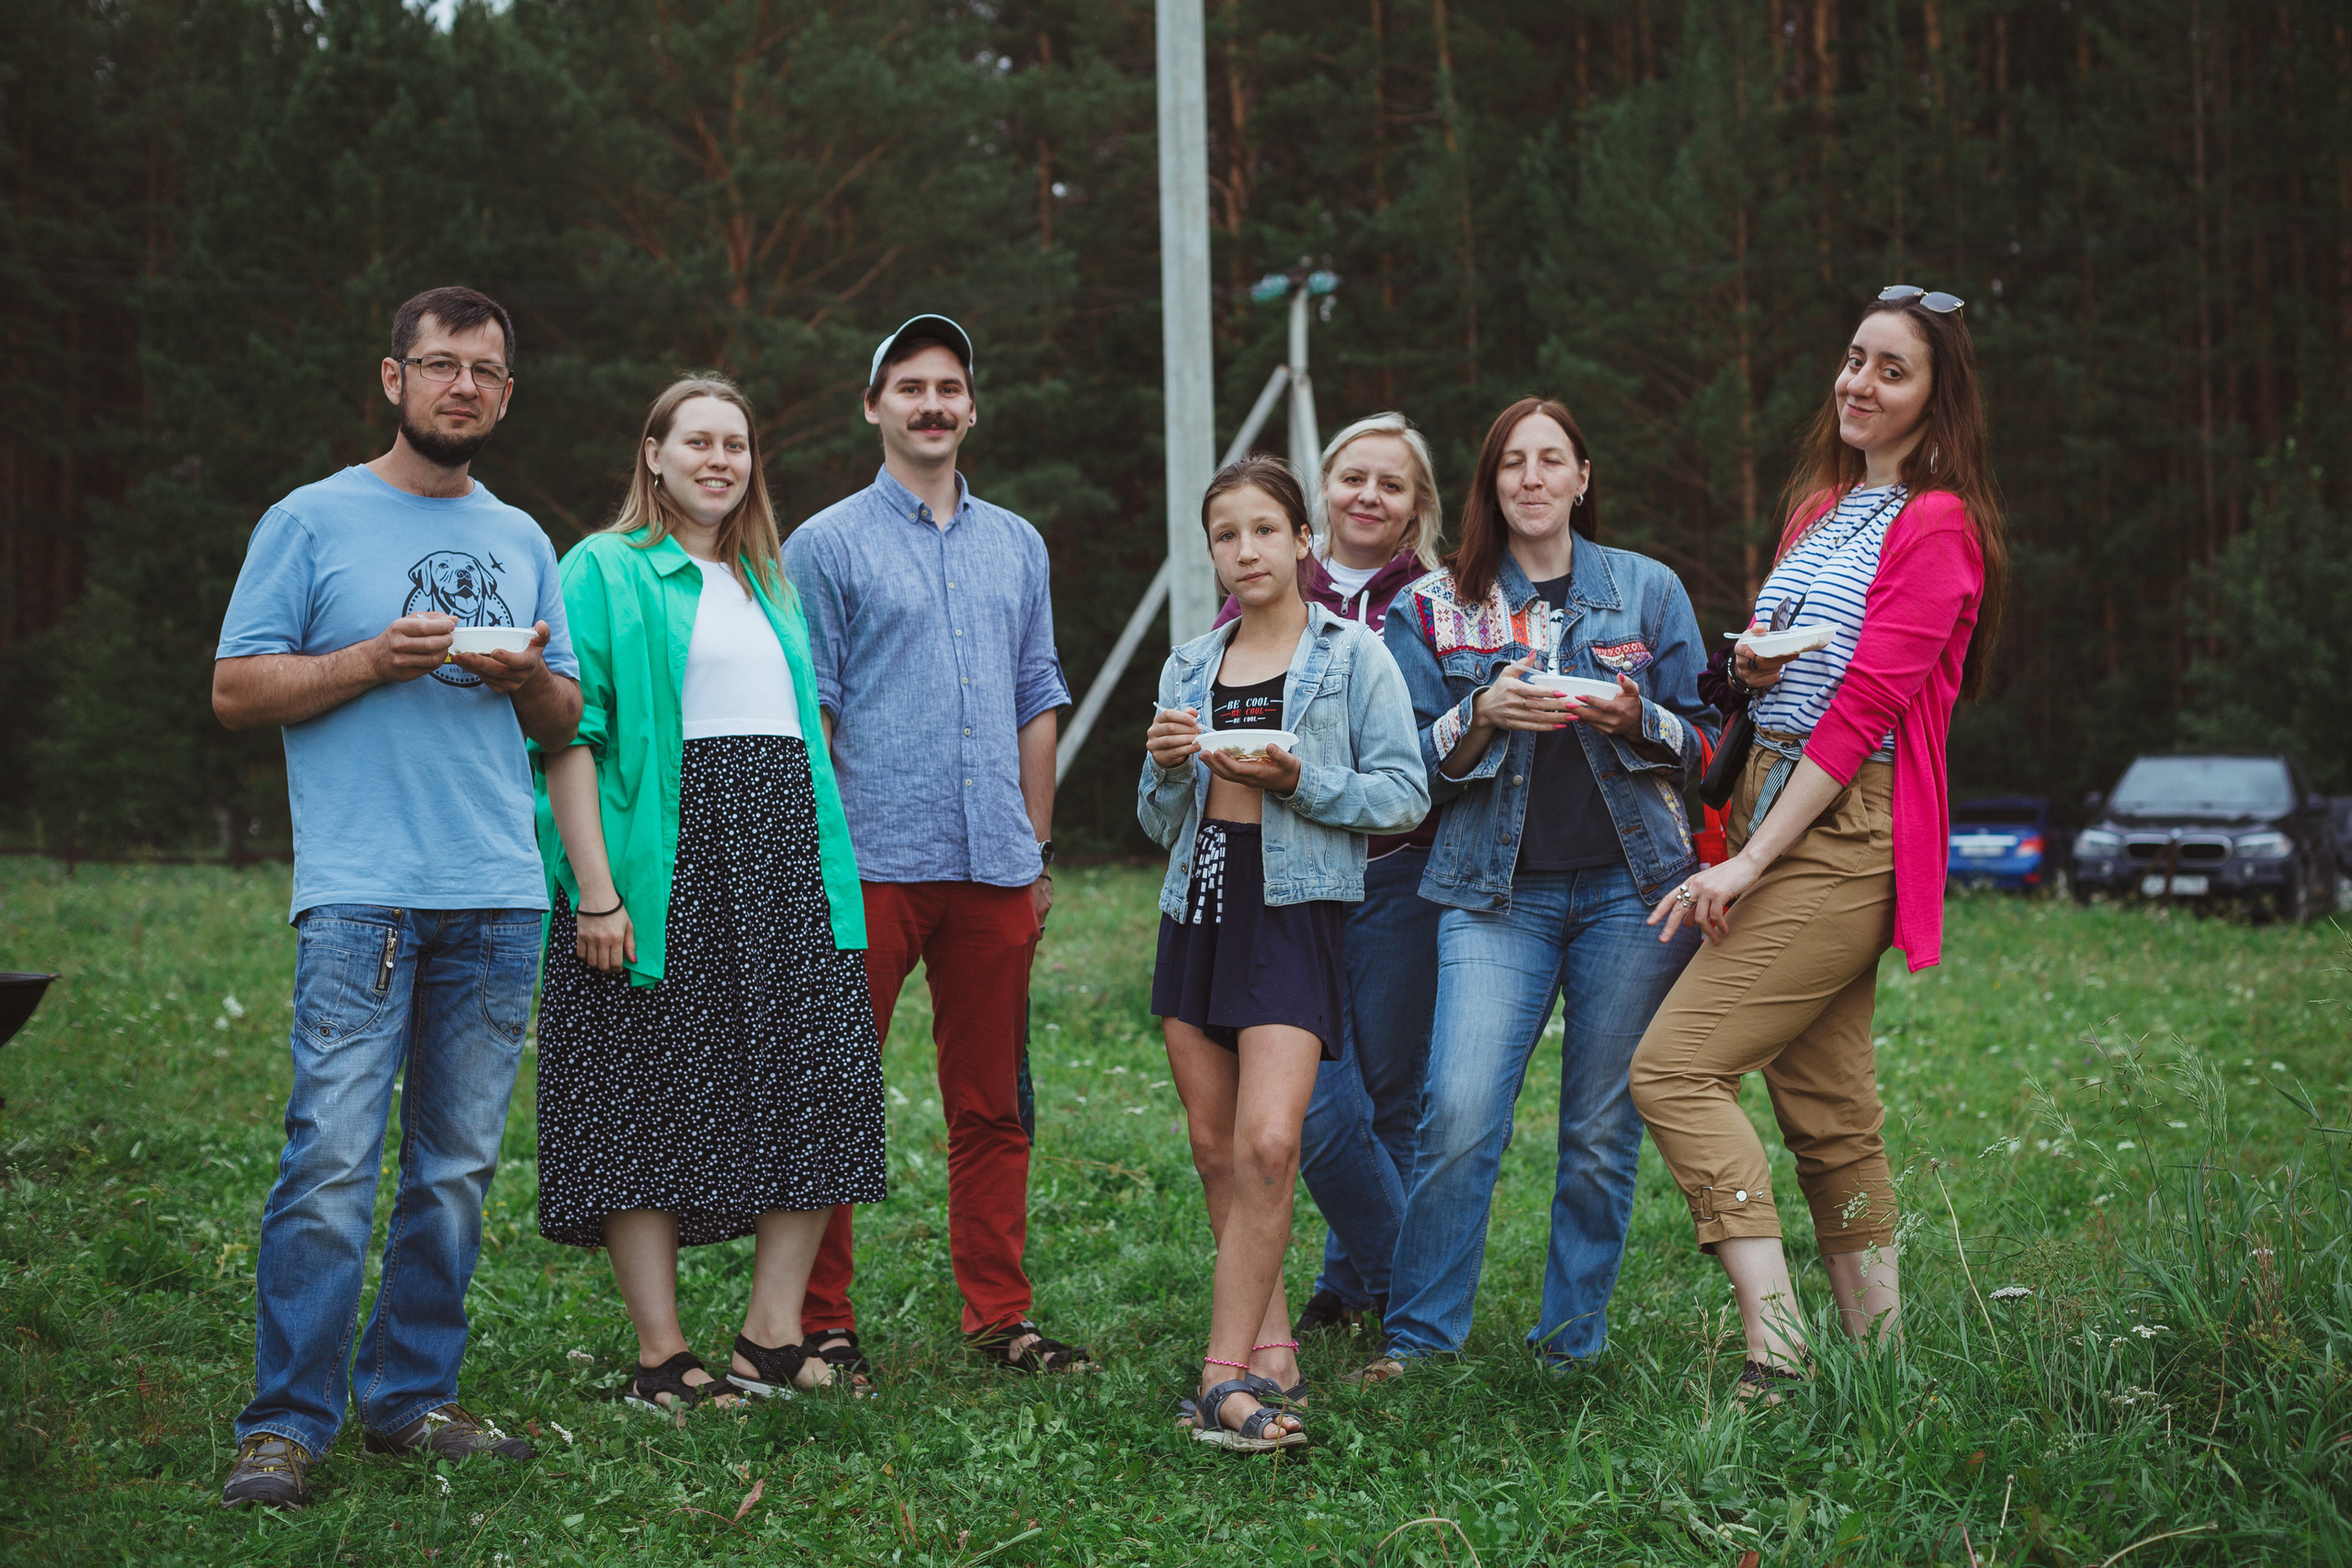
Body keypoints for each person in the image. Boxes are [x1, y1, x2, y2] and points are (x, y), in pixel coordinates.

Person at [210, 287, 581, 1508]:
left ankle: (410, 1397)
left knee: (457, 1166)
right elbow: (236, 688)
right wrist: (374, 657)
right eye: (440, 365)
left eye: (485, 370)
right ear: (393, 378)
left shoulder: (523, 535)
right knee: (331, 1158)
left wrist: (525, 679)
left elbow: (567, 713)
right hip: (363, 891)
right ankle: (285, 1420)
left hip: (497, 891)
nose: (462, 385)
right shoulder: (310, 520)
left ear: (506, 394)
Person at [1630, 286, 2004, 1402]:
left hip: (1847, 827)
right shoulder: (1819, 509)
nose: (1859, 383)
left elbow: (1865, 709)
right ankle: (1882, 1368)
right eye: (1854, 359)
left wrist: (1749, 862)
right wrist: (1745, 668)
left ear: (1937, 402)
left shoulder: (1937, 524)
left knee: (1674, 1070)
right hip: (1768, 798)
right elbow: (1787, 675)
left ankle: (1777, 1351)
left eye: (1892, 370)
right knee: (1828, 1105)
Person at [532, 376, 888, 1411]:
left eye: (735, 443)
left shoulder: (766, 579)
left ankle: (772, 1338)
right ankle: (661, 1355)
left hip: (785, 855)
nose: (719, 459)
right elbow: (570, 736)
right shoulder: (601, 567)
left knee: (820, 1083)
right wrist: (594, 894)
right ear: (653, 454)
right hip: (661, 860)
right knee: (639, 1092)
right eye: (697, 441)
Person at [1351, 397, 1716, 1382]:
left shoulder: (1646, 590)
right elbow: (1399, 767)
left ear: (1581, 478)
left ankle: (1570, 1348)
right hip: (1487, 892)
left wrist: (1638, 716)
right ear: (1490, 483)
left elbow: (1708, 743)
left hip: (1634, 894)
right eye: (1512, 462)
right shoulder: (1430, 606)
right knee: (1460, 1108)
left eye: (1551, 460)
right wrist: (1481, 712)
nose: (1531, 478)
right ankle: (1421, 1342)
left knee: (1601, 1129)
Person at [782, 315, 1088, 1377]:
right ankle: (822, 1321)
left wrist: (1037, 848)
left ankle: (1001, 1316)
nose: (930, 404)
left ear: (971, 406)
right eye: (908, 386)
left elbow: (1035, 696)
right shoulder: (822, 545)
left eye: (948, 386)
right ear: (873, 407)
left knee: (994, 1104)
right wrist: (810, 866)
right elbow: (810, 714)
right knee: (832, 1093)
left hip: (995, 865)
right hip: (867, 862)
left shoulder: (1019, 543)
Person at [1141, 456, 1429, 1450]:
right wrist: (1166, 766)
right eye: (1227, 534)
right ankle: (1266, 1348)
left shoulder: (1353, 658)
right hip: (1201, 901)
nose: (1246, 549)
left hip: (1293, 907)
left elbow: (1403, 793)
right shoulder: (1189, 663)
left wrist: (1303, 778)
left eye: (1265, 528)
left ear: (1303, 540)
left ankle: (1218, 1379)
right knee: (1216, 1147)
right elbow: (1156, 820)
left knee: (1272, 1142)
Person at [1212, 412, 1447, 1339]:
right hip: (1287, 881)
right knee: (1319, 1103)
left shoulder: (1439, 605)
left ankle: (1349, 1286)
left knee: (1389, 1096)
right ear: (1321, 496)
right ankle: (1414, 1283)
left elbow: (1433, 751)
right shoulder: (1256, 584)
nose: (1369, 496)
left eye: (1392, 484)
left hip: (1397, 876)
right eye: (1353, 477)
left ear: (1415, 507)